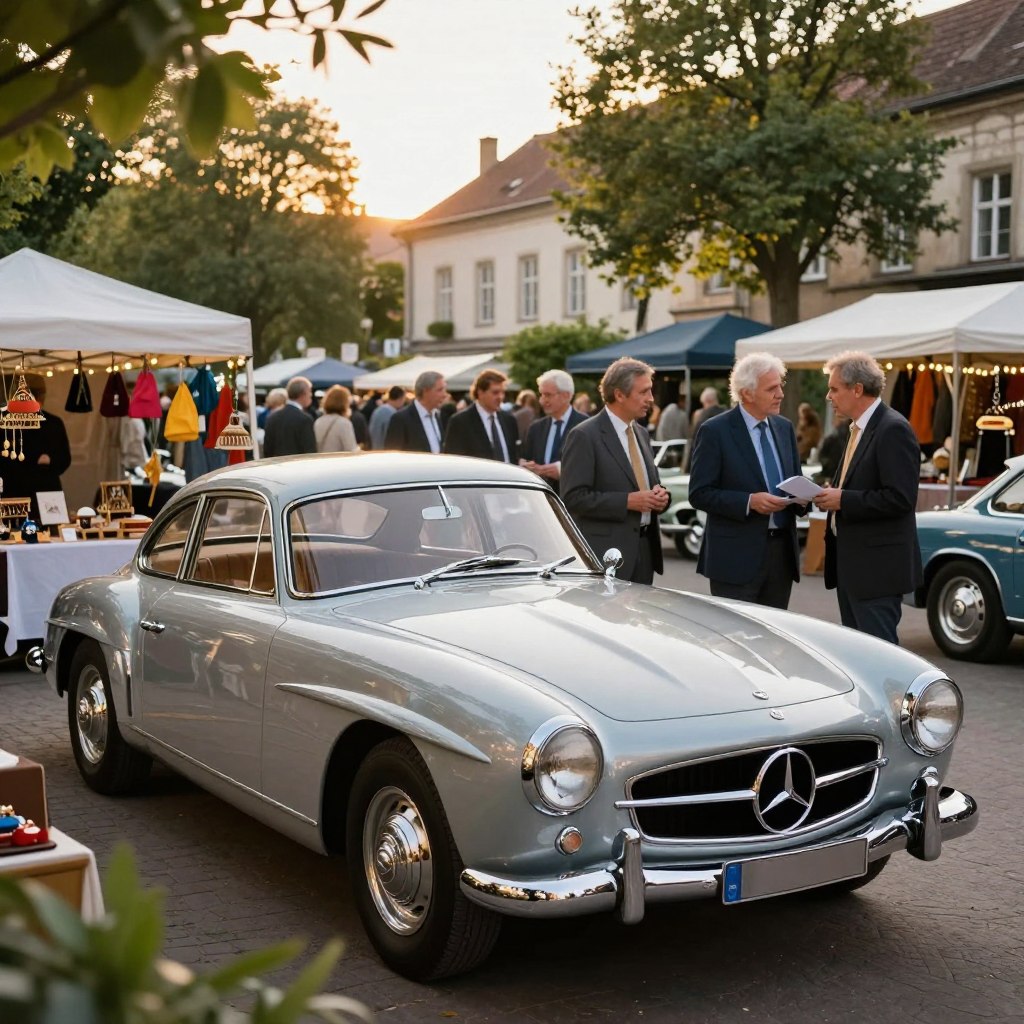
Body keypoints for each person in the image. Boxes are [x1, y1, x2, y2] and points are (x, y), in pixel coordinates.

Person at [813, 351, 922, 644]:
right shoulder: (858, 428)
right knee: (859, 656)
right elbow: (857, 482)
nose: (828, 396)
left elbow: (900, 499)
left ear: (857, 389)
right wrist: (826, 493)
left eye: (834, 389)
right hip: (853, 567)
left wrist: (843, 500)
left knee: (879, 658)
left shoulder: (892, 429)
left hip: (876, 572)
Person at [688, 352, 804, 609]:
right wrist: (749, 501)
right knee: (737, 640)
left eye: (780, 386)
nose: (781, 394)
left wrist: (807, 497)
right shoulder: (715, 431)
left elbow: (795, 479)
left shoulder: (784, 428)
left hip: (781, 557)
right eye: (772, 388)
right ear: (747, 393)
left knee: (775, 642)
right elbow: (699, 493)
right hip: (735, 559)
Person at [560, 357, 670, 585]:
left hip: (645, 551)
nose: (651, 399)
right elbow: (573, 498)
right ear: (619, 395)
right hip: (608, 556)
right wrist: (627, 502)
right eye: (644, 392)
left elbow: (650, 485)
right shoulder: (584, 436)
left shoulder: (641, 433)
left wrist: (662, 497)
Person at [0, 374, 71, 522]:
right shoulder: (6, 423)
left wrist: (49, 460)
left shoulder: (53, 423)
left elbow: (65, 459)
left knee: (51, 536)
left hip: (44, 495)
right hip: (18, 496)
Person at [520, 369, 587, 494]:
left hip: (572, 503)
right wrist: (525, 466)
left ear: (566, 396)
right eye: (541, 394)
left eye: (548, 395)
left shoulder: (585, 426)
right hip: (541, 501)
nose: (542, 400)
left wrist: (563, 471)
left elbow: (591, 467)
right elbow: (526, 458)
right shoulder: (536, 428)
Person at [443, 369, 519, 462]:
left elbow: (514, 456)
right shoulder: (460, 422)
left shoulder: (509, 420)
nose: (500, 397)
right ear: (480, 392)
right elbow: (453, 460)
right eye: (495, 392)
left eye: (502, 392)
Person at [384, 370, 448, 452]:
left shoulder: (437, 416)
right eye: (440, 390)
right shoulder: (401, 419)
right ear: (426, 391)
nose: (444, 395)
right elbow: (392, 455)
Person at [262, 376, 316, 457]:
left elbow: (267, 450)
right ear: (303, 394)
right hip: (298, 467)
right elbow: (309, 452)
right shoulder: (305, 419)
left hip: (276, 467)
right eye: (310, 392)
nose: (311, 395)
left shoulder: (272, 417)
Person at [314, 385, 359, 453]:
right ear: (345, 403)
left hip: (321, 461)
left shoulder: (318, 421)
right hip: (338, 462)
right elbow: (351, 450)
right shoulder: (344, 423)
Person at [368, 385, 407, 450]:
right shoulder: (392, 414)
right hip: (384, 452)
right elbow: (391, 437)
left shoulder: (378, 410)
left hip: (374, 450)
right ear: (400, 398)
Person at [816, 412, 850, 484]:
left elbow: (821, 455)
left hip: (834, 471)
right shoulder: (832, 438)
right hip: (837, 471)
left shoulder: (834, 437)